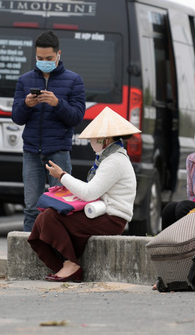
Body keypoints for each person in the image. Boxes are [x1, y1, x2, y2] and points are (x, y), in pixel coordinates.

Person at [28, 107, 140, 282]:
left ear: (106, 139)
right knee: (45, 217)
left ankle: (71, 265)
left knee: (50, 217)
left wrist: (62, 176)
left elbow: (89, 193)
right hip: (98, 212)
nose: (91, 142)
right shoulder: (107, 158)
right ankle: (64, 266)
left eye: (94, 138)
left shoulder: (115, 160)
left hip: (111, 219)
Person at [12, 30, 86, 232]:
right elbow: (17, 118)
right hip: (32, 151)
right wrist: (26, 104)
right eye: (39, 58)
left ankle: (58, 251)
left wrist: (57, 103)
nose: (44, 61)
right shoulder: (25, 80)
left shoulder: (74, 80)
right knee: (31, 207)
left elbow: (77, 118)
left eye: (49, 58)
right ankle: (28, 254)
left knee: (60, 206)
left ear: (58, 54)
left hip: (58, 151)